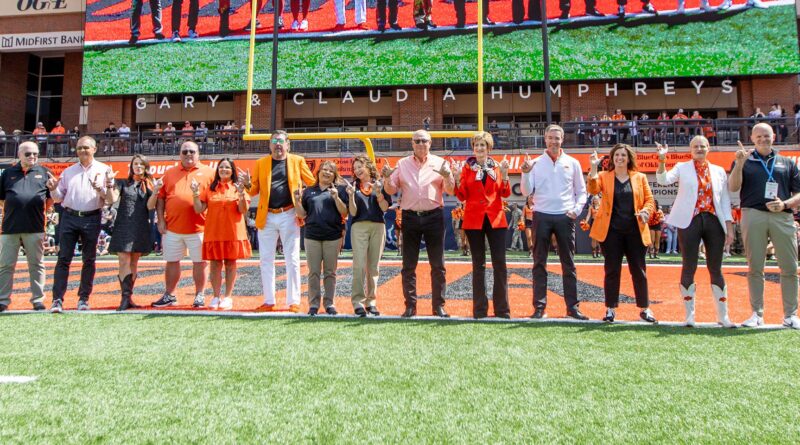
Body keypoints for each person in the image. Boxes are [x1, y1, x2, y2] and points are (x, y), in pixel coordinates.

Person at [657, 137, 735, 327]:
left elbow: (724, 200)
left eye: (703, 146)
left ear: (708, 148)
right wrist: (661, 160)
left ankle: (723, 316)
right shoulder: (682, 167)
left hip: (713, 221)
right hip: (689, 221)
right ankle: (689, 315)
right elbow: (662, 180)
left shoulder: (718, 171)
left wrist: (729, 226)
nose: (699, 149)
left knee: (715, 268)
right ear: (690, 150)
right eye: (695, 146)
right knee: (688, 266)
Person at [729, 123, 800, 329]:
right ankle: (757, 314)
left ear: (774, 137)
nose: (763, 139)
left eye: (766, 135)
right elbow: (733, 186)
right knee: (755, 267)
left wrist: (785, 204)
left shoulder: (787, 162)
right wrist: (739, 164)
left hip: (783, 216)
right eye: (758, 136)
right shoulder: (744, 160)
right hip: (753, 214)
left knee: (789, 267)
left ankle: (790, 315)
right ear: (752, 138)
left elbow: (798, 193)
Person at [382, 129, 455, 318]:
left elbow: (451, 191)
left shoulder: (440, 162)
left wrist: (448, 176)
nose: (421, 144)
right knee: (408, 265)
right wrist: (386, 178)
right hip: (410, 217)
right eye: (417, 141)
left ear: (430, 143)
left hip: (434, 216)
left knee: (438, 265)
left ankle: (438, 306)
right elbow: (391, 190)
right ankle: (410, 306)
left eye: (424, 140)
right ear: (412, 143)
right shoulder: (402, 163)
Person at [242, 130, 315, 312]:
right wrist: (246, 183)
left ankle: (293, 301)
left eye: (281, 141)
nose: (278, 144)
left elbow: (312, 182)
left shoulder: (297, 161)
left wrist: (302, 198)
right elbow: (253, 191)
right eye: (274, 141)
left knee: (293, 258)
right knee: (266, 259)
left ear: (288, 144)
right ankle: (269, 300)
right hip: (266, 215)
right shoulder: (261, 163)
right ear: (270, 145)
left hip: (289, 214)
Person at [520, 124, 588, 320]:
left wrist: (576, 210)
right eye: (550, 138)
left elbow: (581, 191)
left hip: (564, 217)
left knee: (568, 263)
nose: (553, 141)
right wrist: (525, 173)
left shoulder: (573, 163)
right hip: (541, 214)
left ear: (562, 139)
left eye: (557, 138)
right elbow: (526, 192)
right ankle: (539, 307)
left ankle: (572, 307)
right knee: (539, 263)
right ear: (545, 138)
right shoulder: (534, 163)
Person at [587, 144, 657, 323]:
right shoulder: (603, 176)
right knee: (611, 270)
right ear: (611, 158)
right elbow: (593, 189)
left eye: (623, 155)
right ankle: (610, 309)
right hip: (611, 233)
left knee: (639, 270)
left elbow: (649, 200)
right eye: (616, 155)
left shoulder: (640, 177)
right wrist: (594, 167)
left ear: (629, 158)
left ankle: (644, 308)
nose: (619, 158)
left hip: (635, 230)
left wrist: (646, 212)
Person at [47, 136, 116, 313]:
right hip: (69, 216)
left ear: (94, 149)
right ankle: (57, 299)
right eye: (79, 148)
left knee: (89, 259)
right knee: (63, 258)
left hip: (92, 217)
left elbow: (110, 199)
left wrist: (100, 188)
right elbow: (58, 198)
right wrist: (53, 188)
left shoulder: (105, 169)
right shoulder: (68, 171)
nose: (82, 151)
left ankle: (83, 298)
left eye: (86, 147)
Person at [454, 132, 511, 319]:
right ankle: (479, 310)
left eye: (483, 145)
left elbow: (505, 193)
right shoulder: (466, 169)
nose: (479, 148)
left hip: (496, 220)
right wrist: (455, 178)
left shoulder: (497, 167)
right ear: (473, 148)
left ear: (489, 148)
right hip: (473, 221)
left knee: (500, 265)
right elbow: (462, 196)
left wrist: (505, 174)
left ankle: (502, 310)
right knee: (478, 265)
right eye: (476, 145)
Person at [151, 141, 214, 308]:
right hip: (173, 227)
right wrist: (161, 220)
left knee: (200, 262)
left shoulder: (209, 173)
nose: (188, 154)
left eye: (192, 151)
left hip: (200, 227)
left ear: (198, 154)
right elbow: (161, 198)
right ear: (180, 154)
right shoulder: (170, 173)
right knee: (172, 261)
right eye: (185, 151)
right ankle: (169, 294)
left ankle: (199, 294)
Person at [192, 158, 251, 311]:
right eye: (221, 167)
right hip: (214, 232)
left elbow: (242, 210)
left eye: (227, 167)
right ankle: (216, 296)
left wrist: (241, 193)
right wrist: (195, 194)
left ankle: (228, 296)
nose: (224, 170)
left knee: (231, 264)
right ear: (217, 170)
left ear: (233, 171)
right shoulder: (211, 188)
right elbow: (199, 209)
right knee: (215, 264)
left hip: (233, 232)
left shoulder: (238, 187)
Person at [0, 142, 52, 312]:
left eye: (36, 154)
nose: (32, 157)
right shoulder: (7, 173)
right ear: (20, 154)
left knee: (36, 264)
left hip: (35, 227)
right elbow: (2, 199)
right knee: (6, 265)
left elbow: (51, 199)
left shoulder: (44, 172)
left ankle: (38, 300)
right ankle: (3, 300)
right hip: (10, 227)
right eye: (29, 153)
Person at [296, 161, 348, 316]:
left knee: (330, 272)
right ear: (318, 172)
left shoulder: (340, 190)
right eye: (324, 169)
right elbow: (301, 214)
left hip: (332, 236)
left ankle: (329, 303)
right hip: (312, 235)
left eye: (330, 171)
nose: (326, 173)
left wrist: (337, 197)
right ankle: (313, 304)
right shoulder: (309, 191)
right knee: (313, 272)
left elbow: (344, 213)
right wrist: (297, 201)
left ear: (335, 175)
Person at [109, 154, 155, 311]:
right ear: (131, 166)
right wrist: (109, 183)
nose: (138, 167)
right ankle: (124, 297)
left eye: (141, 165)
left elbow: (150, 206)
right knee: (123, 260)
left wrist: (155, 192)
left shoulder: (149, 185)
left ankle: (129, 297)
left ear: (146, 168)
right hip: (123, 225)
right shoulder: (122, 183)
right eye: (136, 164)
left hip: (140, 225)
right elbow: (113, 198)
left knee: (134, 261)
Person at [347, 156, 391, 317]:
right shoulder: (353, 186)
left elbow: (385, 207)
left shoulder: (380, 183)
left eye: (360, 166)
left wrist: (379, 193)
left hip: (378, 226)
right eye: (355, 167)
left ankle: (371, 301)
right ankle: (357, 301)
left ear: (368, 167)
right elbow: (352, 212)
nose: (357, 170)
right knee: (359, 265)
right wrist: (351, 196)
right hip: (359, 226)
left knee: (373, 266)